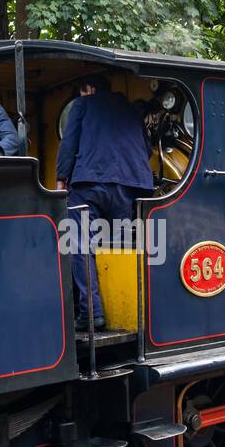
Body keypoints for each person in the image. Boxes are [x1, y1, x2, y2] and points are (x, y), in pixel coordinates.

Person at [56, 74, 153, 331]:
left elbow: (69, 143)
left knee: (79, 244)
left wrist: (61, 179)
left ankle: (92, 313)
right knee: (120, 245)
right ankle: (125, 312)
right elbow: (147, 148)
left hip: (89, 184)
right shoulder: (131, 110)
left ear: (88, 89)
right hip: (129, 186)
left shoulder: (83, 105)